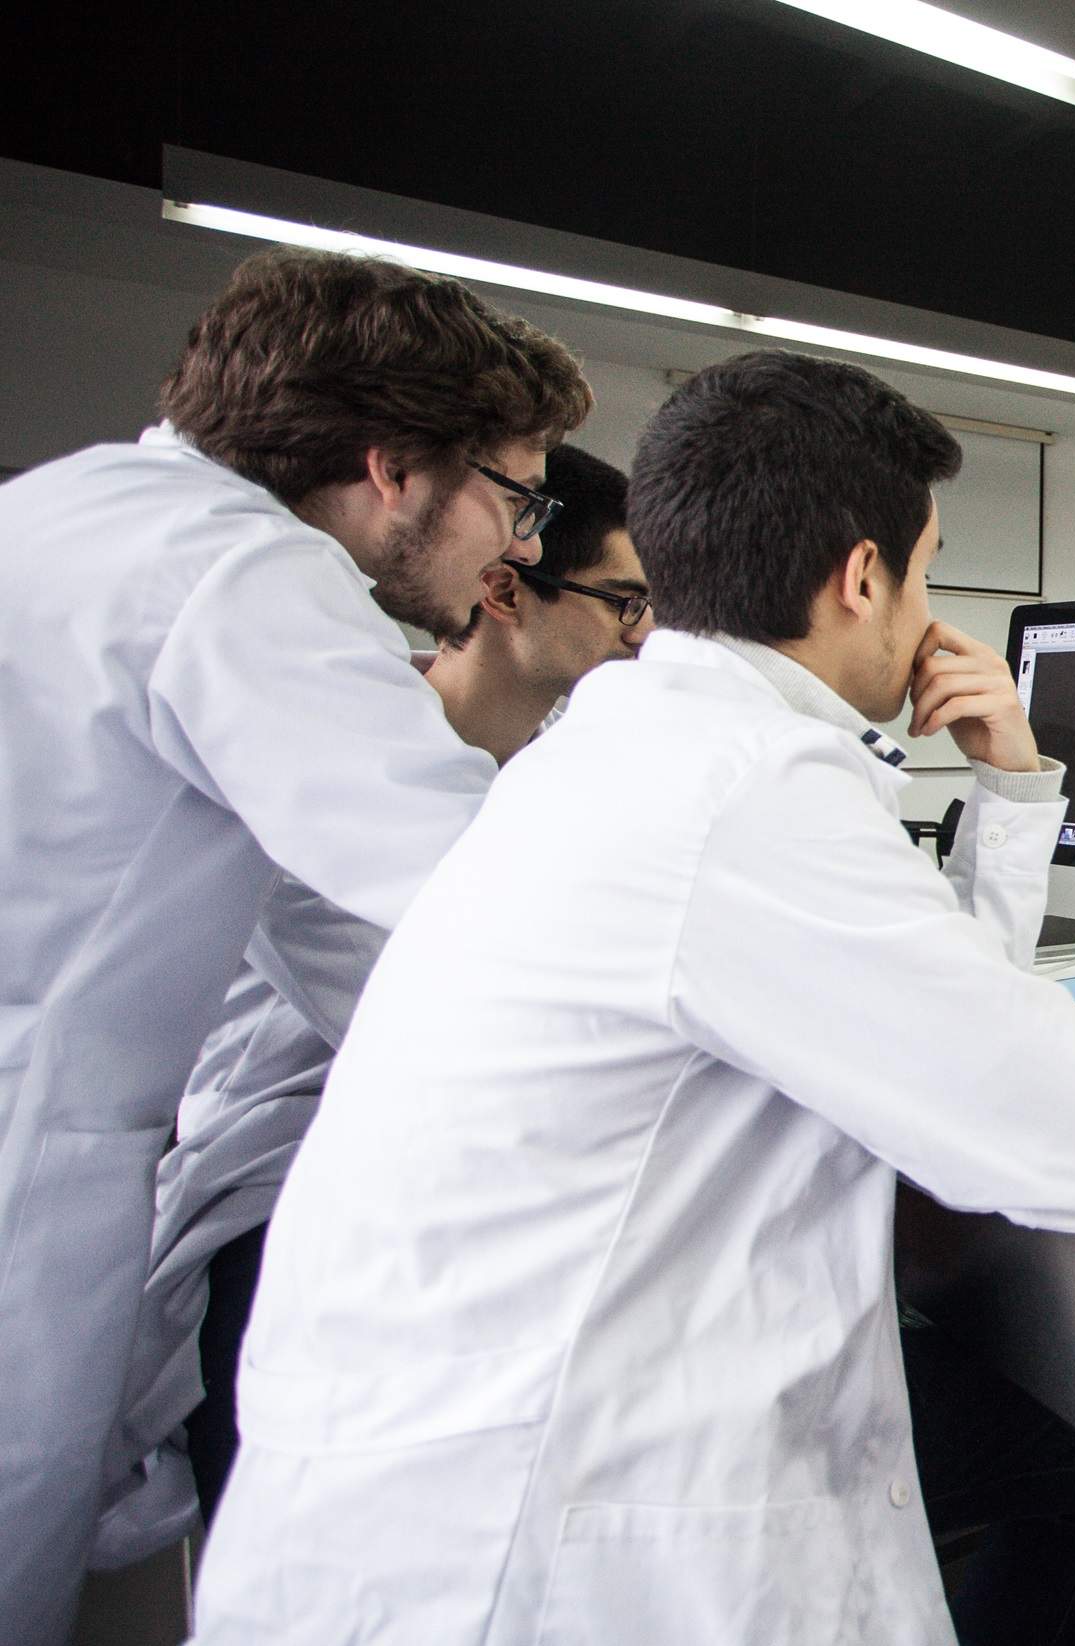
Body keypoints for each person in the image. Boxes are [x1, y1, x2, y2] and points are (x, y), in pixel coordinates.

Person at [193, 350, 1075, 1646]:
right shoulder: (744, 788)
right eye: (924, 566)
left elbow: (933, 1035)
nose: (927, 610)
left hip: (441, 1486)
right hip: (534, 1546)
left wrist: (1009, 794)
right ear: (860, 576)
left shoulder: (622, 749)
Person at [0, 247, 590, 1642]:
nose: (518, 542)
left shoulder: (67, 512)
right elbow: (478, 905)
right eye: (513, 493)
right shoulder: (244, 574)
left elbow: (334, 931)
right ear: (395, 468)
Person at [88, 446, 649, 1570]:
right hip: (287, 1226)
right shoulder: (345, 777)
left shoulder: (525, 779)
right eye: (625, 603)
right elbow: (466, 1026)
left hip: (430, 1220)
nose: (645, 639)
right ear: (505, 586)